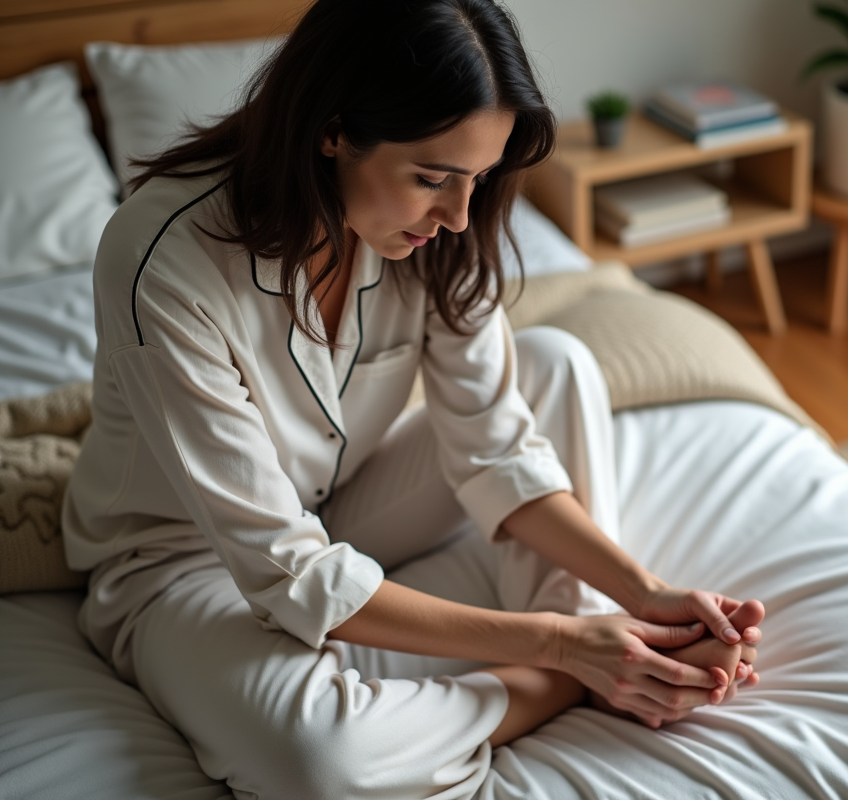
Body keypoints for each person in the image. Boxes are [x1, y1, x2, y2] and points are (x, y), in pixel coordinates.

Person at [62, 1, 764, 797]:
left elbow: (496, 451)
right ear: (333, 131)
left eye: (478, 180)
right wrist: (561, 646)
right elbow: (286, 568)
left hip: (341, 500)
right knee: (319, 758)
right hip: (182, 559)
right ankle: (580, 676)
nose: (458, 217)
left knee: (557, 363)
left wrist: (650, 595)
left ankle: (619, 654)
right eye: (432, 179)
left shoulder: (440, 235)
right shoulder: (162, 260)